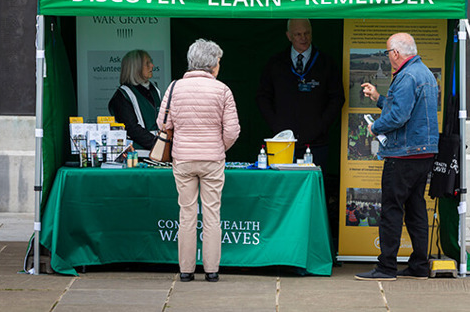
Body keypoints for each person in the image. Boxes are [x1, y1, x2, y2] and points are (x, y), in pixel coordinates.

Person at [355, 32, 439, 281]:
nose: (388, 57)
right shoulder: (424, 73)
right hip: (423, 153)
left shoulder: (406, 76)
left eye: (387, 52)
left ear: (395, 53)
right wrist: (379, 98)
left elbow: (398, 117)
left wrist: (376, 127)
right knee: (416, 208)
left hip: (403, 154)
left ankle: (386, 267)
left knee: (391, 210)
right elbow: (407, 110)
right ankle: (419, 265)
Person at [158, 39, 240, 283]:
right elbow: (232, 130)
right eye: (218, 62)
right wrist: (218, 147)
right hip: (212, 159)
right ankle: (212, 270)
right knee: (212, 213)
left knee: (187, 213)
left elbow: (163, 124)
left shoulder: (174, 88)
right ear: (212, 64)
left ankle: (186, 270)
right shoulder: (223, 90)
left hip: (182, 159)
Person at [256, 19, 345, 166]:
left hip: (316, 144)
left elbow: (337, 98)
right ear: (289, 36)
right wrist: (276, 124)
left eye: (307, 33)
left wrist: (321, 125)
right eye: (298, 34)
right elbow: (262, 97)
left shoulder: (326, 62)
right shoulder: (275, 63)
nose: (303, 38)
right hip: (283, 142)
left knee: (312, 186)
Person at [108, 49, 161, 151]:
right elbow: (131, 128)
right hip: (138, 155)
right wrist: (158, 144)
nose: (152, 66)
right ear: (136, 68)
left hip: (158, 153)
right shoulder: (122, 95)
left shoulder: (155, 89)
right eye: (147, 63)